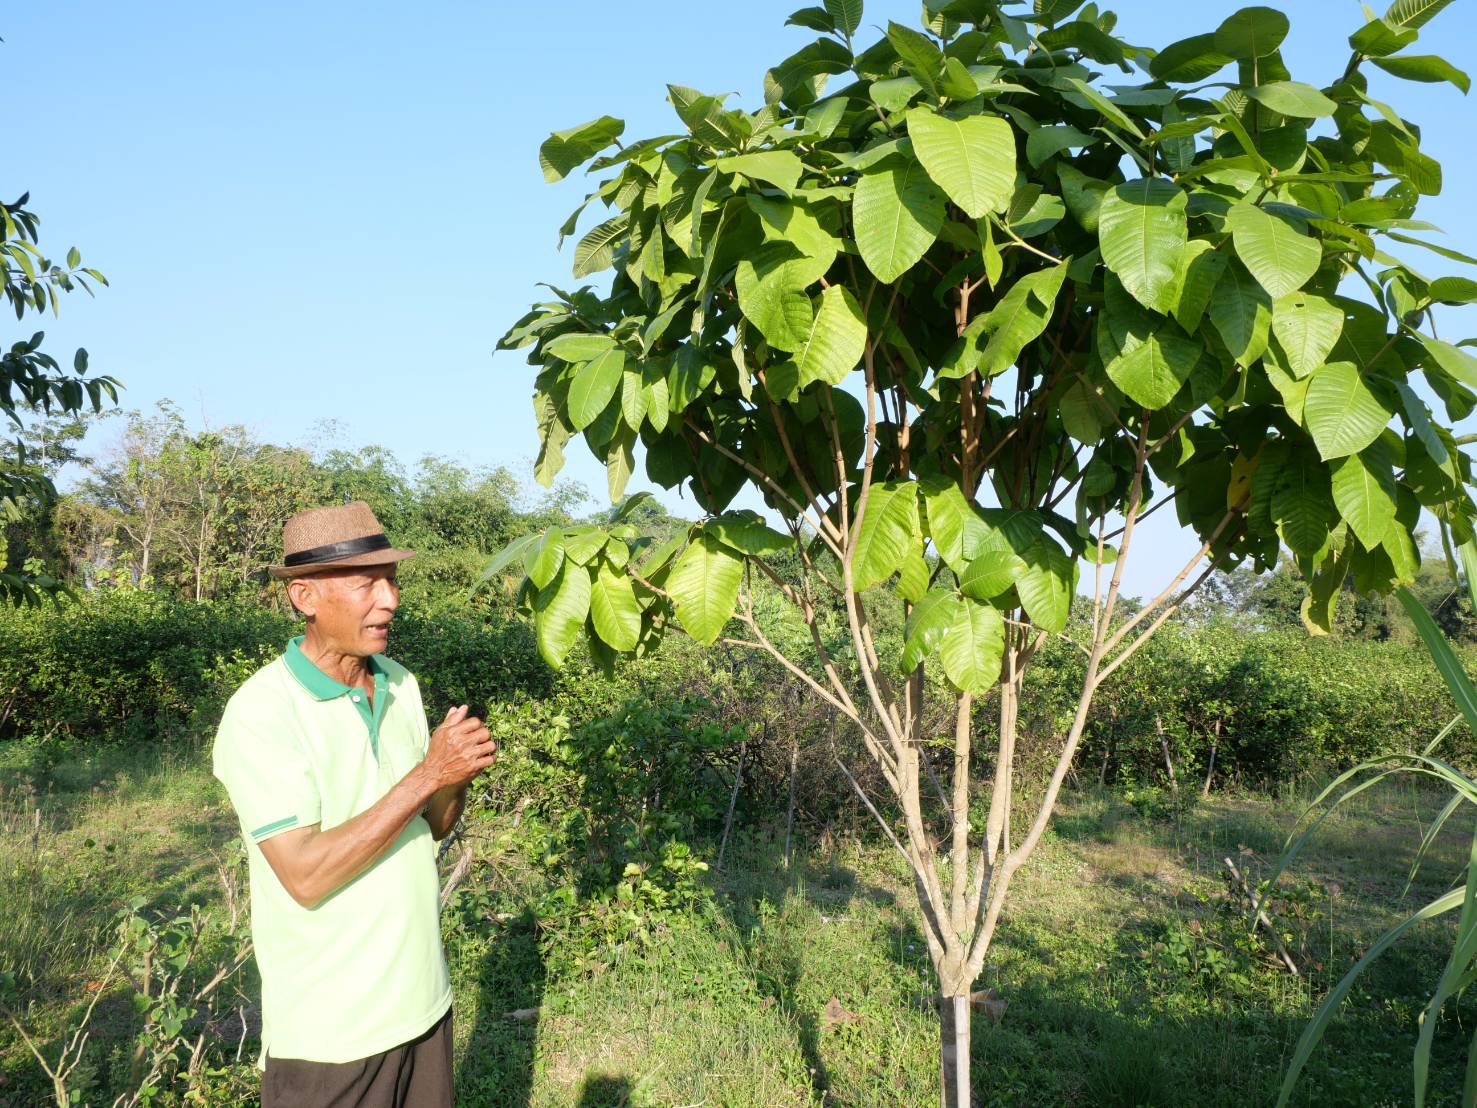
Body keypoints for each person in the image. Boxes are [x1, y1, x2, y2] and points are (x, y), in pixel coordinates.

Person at [212, 500, 497, 1107]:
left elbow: (435, 825)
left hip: (424, 1003)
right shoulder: (262, 712)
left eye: (391, 580)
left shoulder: (400, 682)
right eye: (367, 583)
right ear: (305, 596)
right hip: (331, 1034)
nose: (389, 599)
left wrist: (455, 773)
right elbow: (307, 875)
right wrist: (426, 776)